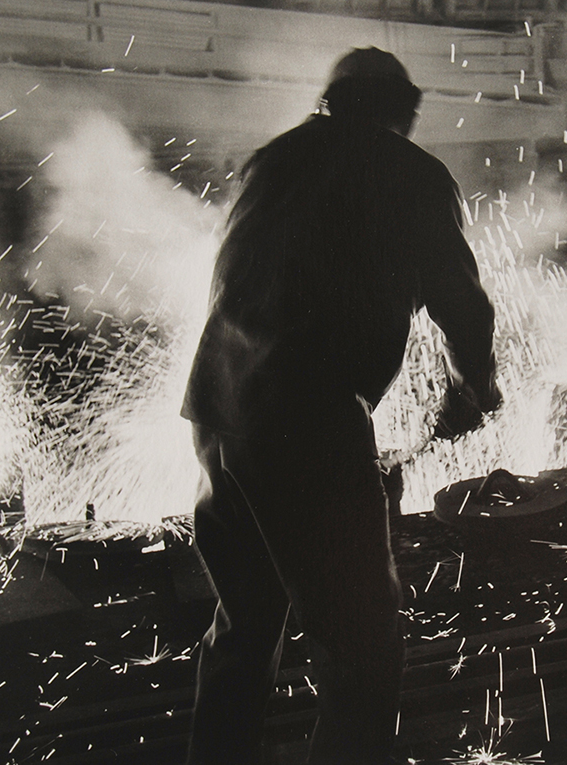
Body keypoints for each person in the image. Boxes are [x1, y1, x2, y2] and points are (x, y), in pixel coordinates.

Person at [180, 47, 501, 765]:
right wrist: (472, 386)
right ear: (401, 109)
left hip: (217, 411)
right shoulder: (410, 173)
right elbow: (463, 307)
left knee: (244, 627)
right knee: (363, 647)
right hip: (308, 428)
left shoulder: (272, 160)